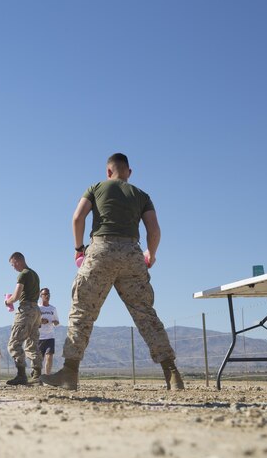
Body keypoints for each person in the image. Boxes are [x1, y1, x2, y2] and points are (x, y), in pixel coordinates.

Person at [41, 153, 184, 391]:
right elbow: (154, 230)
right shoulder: (141, 195)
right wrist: (151, 254)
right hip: (132, 253)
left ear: (108, 172)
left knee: (82, 311)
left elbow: (77, 218)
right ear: (129, 172)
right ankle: (173, 375)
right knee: (146, 315)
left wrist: (79, 250)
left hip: (101, 250)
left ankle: (69, 373)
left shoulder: (96, 187)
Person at [3, 252, 43, 385]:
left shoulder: (23, 274)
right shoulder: (34, 274)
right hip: (36, 311)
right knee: (32, 343)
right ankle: (37, 375)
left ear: (17, 260)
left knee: (14, 344)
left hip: (25, 310)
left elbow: (17, 294)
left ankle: (21, 375)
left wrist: (8, 301)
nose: (13, 267)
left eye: (12, 264)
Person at [38, 288, 59, 376]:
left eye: (48, 294)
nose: (47, 296)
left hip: (50, 337)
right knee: (39, 359)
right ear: (41, 296)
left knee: (49, 356)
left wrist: (55, 322)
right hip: (39, 337)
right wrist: (40, 321)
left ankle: (47, 376)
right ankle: (37, 376)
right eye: (45, 294)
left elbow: (57, 322)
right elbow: (32, 321)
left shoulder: (53, 309)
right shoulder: (38, 308)